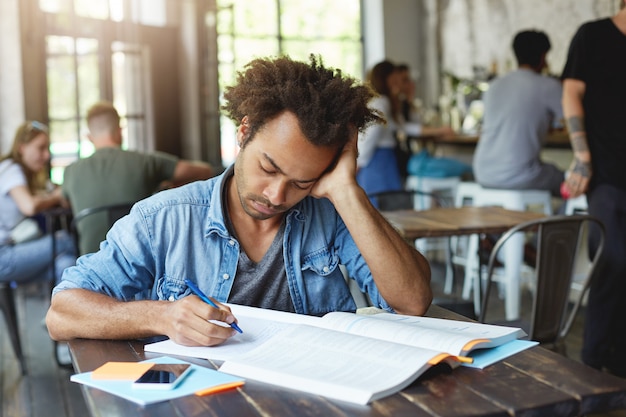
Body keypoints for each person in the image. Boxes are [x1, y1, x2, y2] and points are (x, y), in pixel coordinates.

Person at [46, 55, 432, 348]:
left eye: (302, 182)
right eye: (269, 167)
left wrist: (348, 191)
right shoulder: (162, 218)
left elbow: (413, 302)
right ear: (244, 132)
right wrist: (162, 316)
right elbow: (62, 312)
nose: (277, 196)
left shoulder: (330, 215)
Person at [561, 1, 626, 377]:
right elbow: (571, 93)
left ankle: (618, 361)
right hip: (607, 170)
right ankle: (593, 359)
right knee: (611, 259)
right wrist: (582, 156)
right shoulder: (593, 36)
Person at [62, 101, 215, 255]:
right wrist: (171, 188)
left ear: (89, 137)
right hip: (142, 262)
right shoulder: (146, 162)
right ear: (119, 132)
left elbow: (64, 202)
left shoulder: (71, 172)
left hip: (91, 265)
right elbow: (204, 171)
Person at [472, 30, 565, 196]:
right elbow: (569, 121)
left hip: (482, 171)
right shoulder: (549, 86)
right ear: (543, 57)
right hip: (520, 175)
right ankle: (559, 220)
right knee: (571, 181)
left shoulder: (494, 86)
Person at [357, 60, 451, 198]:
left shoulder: (385, 102)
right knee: (383, 203)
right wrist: (359, 163)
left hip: (382, 160)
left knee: (385, 203)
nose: (399, 83)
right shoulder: (382, 102)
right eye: (395, 79)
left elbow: (402, 126)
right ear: (384, 79)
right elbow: (371, 136)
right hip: (378, 161)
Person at [0, 121, 76, 285]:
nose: (47, 155)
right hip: (4, 256)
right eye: (41, 148)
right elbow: (29, 206)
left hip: (14, 252)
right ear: (22, 148)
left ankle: (61, 311)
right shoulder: (11, 169)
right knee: (64, 240)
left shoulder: (21, 175)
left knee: (66, 264)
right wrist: (56, 196)